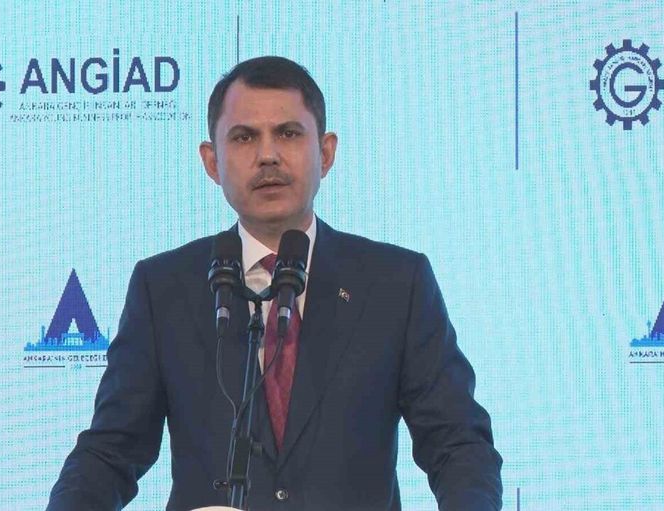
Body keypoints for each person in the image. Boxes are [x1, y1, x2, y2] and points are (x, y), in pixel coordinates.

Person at [47, 56, 502, 510]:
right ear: (212, 161)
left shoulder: (395, 283)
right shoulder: (164, 287)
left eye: (288, 133)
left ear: (325, 153)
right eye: (244, 137)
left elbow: (458, 444)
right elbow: (111, 452)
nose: (267, 155)